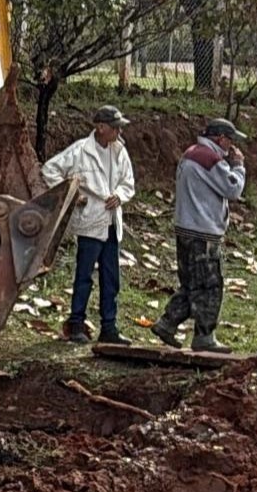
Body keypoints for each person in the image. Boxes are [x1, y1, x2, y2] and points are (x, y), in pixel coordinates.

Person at [43, 105, 137, 344]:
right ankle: (76, 323)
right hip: (90, 219)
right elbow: (50, 170)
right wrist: (73, 195)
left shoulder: (119, 151)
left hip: (111, 221)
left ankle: (109, 327)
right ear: (101, 127)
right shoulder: (79, 151)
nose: (118, 132)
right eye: (114, 127)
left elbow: (128, 182)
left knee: (110, 277)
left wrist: (120, 195)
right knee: (84, 274)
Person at [151, 117, 246, 352]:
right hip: (202, 232)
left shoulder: (190, 153)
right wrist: (239, 166)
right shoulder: (210, 158)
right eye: (230, 141)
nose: (231, 147)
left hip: (185, 226)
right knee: (210, 285)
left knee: (191, 283)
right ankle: (205, 336)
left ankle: (167, 323)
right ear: (221, 139)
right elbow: (232, 189)